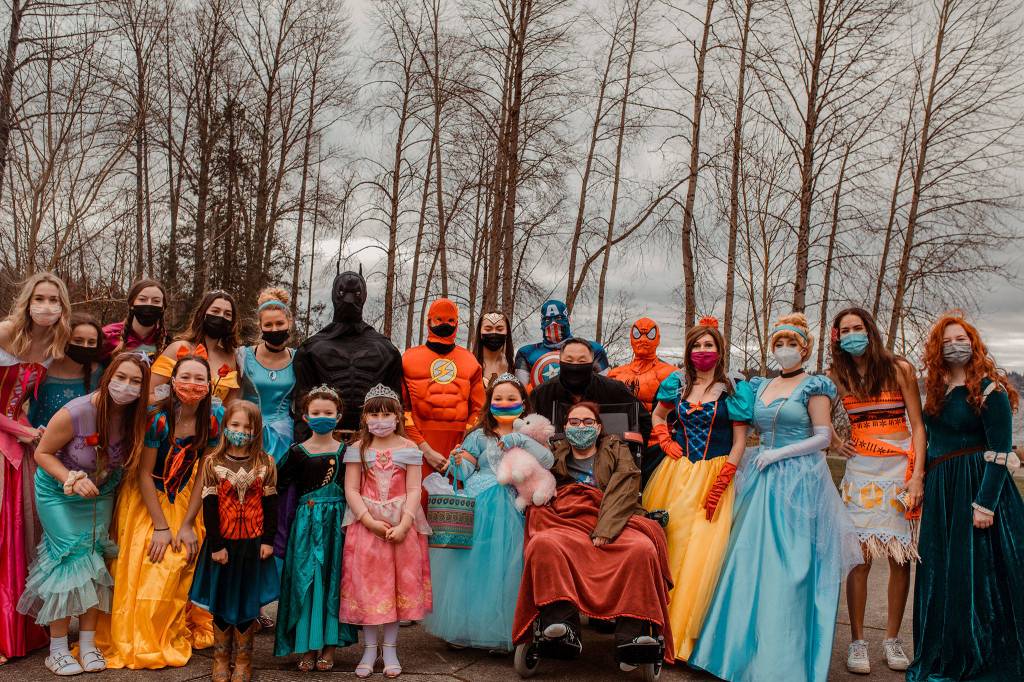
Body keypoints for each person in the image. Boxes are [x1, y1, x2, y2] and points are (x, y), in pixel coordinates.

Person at [689, 313, 861, 682]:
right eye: (779, 344)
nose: (785, 350)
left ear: (805, 348)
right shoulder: (761, 385)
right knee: (748, 563)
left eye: (792, 344)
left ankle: (780, 663)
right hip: (761, 479)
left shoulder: (815, 386)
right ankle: (735, 655)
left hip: (799, 480)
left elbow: (823, 436)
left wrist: (777, 454)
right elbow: (741, 423)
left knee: (790, 569)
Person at [17, 353, 150, 675]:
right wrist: (71, 480)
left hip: (102, 492)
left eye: (136, 381)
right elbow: (43, 453)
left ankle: (87, 644)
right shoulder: (77, 412)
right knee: (70, 560)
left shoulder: (137, 416)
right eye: (122, 377)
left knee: (93, 561)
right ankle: (58, 649)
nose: (127, 386)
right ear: (108, 377)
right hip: (59, 491)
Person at [907, 315, 1024, 682]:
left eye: (962, 338)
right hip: (942, 490)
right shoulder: (936, 389)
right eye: (947, 340)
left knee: (978, 578)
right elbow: (928, 438)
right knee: (941, 574)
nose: (955, 344)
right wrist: (919, 478)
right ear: (937, 349)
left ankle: (984, 654)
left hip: (977, 489)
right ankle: (944, 652)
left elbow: (1002, 451)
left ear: (973, 343)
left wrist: (984, 504)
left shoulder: (992, 390)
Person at [512, 401, 673, 667]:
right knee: (544, 543)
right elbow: (529, 475)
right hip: (566, 519)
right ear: (565, 427)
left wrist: (605, 530)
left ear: (598, 427)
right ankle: (562, 627)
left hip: (611, 517)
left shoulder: (618, 450)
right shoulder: (553, 452)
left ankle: (630, 635)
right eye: (574, 422)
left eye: (588, 422)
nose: (581, 427)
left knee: (641, 548)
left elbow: (625, 488)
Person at [97, 350, 222, 668]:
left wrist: (187, 524)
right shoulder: (158, 419)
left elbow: (201, 478)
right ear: (174, 380)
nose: (192, 383)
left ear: (209, 384)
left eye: (199, 378)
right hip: (146, 497)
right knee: (151, 556)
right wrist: (161, 526)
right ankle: (137, 634)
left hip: (181, 499)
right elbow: (142, 474)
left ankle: (162, 630)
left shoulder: (210, 422)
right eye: (186, 376)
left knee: (180, 556)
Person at [642, 318, 753, 661]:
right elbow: (658, 415)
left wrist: (726, 476)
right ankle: (651, 629)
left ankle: (683, 639)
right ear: (689, 350)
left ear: (719, 350)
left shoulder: (735, 388)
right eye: (697, 345)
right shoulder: (676, 383)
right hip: (675, 474)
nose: (703, 351)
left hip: (713, 475)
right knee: (669, 545)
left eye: (709, 345)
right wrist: (663, 437)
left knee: (700, 556)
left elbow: (740, 440)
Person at [424, 374, 554, 651]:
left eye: (511, 399)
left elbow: (547, 461)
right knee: (472, 568)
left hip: (514, 508)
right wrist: (457, 462)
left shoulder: (530, 435)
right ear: (489, 403)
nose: (504, 403)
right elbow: (464, 471)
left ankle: (502, 630)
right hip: (479, 505)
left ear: (523, 404)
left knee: (509, 568)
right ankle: (464, 627)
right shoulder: (479, 436)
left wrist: (521, 438)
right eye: (498, 398)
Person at [827, 307, 925, 674]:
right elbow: (813, 411)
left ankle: (891, 638)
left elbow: (918, 425)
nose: (853, 333)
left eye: (858, 327)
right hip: (861, 471)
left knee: (900, 557)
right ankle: (856, 642)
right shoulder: (837, 375)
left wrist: (916, 476)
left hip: (899, 470)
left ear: (870, 329)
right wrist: (836, 440)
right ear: (837, 337)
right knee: (860, 557)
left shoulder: (900, 369)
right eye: (845, 329)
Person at [0, 271, 71, 665]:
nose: (46, 306)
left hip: (20, 441)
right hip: (6, 440)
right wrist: (19, 428)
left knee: (19, 535)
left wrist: (29, 428)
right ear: (27, 302)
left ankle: (18, 628)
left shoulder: (55, 343)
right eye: (39, 299)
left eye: (54, 300)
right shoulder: (4, 332)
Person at [341, 384, 432, 678]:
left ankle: (390, 648)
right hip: (367, 527)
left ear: (397, 417)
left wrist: (406, 522)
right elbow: (352, 489)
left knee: (396, 587)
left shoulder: (410, 449)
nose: (380, 419)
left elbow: (414, 487)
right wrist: (367, 520)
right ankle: (368, 649)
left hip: (401, 525)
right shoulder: (358, 449)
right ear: (365, 417)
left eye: (386, 414)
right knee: (368, 587)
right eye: (374, 414)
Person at [189, 401, 279, 682]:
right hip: (223, 546)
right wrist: (215, 546)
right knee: (223, 599)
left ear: (256, 430)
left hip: (253, 546)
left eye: (247, 427)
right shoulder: (213, 463)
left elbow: (271, 504)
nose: (241, 431)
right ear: (226, 426)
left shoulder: (265, 463)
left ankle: (242, 660)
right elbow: (210, 507)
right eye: (235, 425)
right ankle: (220, 659)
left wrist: (268, 540)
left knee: (246, 601)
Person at [274, 386, 359, 671]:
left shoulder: (347, 453)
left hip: (337, 524)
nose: (322, 416)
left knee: (333, 580)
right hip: (306, 524)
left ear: (338, 416)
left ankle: (330, 646)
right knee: (306, 581)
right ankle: (306, 646)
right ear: (305, 417)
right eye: (316, 412)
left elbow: (357, 489)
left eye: (328, 412)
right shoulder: (296, 453)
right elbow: (276, 487)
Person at [292, 271, 403, 436]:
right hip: (324, 441)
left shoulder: (386, 350)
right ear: (335, 295)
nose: (349, 300)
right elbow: (302, 405)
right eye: (343, 293)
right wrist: (304, 450)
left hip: (373, 443)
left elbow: (396, 405)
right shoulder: (311, 349)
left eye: (356, 293)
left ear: (363, 296)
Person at [401, 298, 485, 475]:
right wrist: (424, 448)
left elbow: (479, 409)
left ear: (457, 322)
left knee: (456, 500)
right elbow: (402, 409)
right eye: (439, 320)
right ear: (428, 321)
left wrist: (463, 446)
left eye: (450, 320)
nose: (445, 324)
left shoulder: (471, 361)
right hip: (418, 443)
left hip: (460, 445)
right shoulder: (408, 359)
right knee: (418, 500)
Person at [530, 337, 652, 444]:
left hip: (607, 461)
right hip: (556, 463)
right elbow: (529, 428)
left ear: (592, 361)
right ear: (560, 361)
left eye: (582, 361)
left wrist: (634, 456)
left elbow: (644, 420)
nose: (575, 365)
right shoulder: (541, 394)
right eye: (569, 360)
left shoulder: (614, 389)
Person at [151, 290, 240, 405]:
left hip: (213, 422)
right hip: (175, 419)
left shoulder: (230, 357)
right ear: (202, 314)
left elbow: (229, 405)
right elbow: (149, 394)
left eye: (227, 314)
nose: (221, 317)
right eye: (215, 311)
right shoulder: (178, 348)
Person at [239, 287, 296, 463]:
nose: (274, 329)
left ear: (289, 323)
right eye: (268, 325)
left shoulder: (298, 358)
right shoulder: (242, 355)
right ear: (260, 326)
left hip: (284, 436)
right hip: (245, 431)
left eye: (279, 324)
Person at [29, 312, 104, 428]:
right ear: (65, 340)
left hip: (81, 444)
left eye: (91, 342)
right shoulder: (42, 369)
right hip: (36, 442)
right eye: (78, 341)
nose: (85, 346)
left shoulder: (99, 373)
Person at [513, 299, 609, 389]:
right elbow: (521, 392)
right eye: (547, 319)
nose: (553, 323)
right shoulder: (527, 353)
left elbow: (604, 388)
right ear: (541, 322)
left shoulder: (593, 349)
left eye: (559, 318)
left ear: (569, 319)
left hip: (582, 404)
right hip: (540, 404)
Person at [607, 317, 677, 408]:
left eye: (650, 334)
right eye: (637, 334)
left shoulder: (671, 374)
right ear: (631, 338)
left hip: (653, 421)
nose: (643, 340)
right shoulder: (615, 374)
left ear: (658, 339)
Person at [102, 278, 168, 361]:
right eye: (142, 299)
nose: (149, 304)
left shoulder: (166, 342)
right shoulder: (109, 334)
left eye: (156, 301)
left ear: (163, 307)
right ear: (131, 304)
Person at [473, 311, 514, 388]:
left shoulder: (513, 366)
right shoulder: (470, 363)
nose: (494, 332)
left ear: (507, 333)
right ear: (480, 332)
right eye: (488, 329)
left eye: (500, 329)